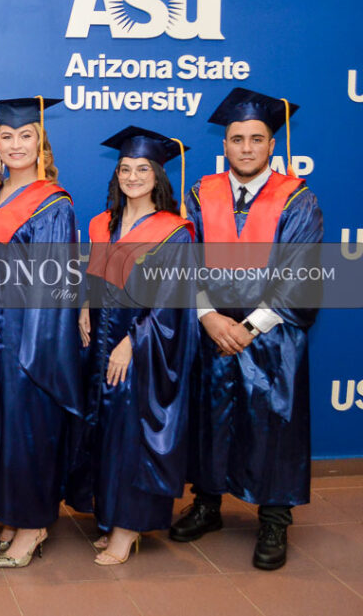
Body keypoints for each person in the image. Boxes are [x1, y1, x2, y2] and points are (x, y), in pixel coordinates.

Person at [170, 88, 323, 571]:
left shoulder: (297, 199)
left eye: (257, 139)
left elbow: (298, 273)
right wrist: (210, 317)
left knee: (272, 421)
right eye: (238, 139)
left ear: (272, 145)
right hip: (212, 329)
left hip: (272, 335)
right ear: (226, 144)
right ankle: (208, 505)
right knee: (210, 417)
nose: (247, 148)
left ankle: (274, 518)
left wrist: (249, 326)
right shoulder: (200, 193)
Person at [77, 126, 198, 565]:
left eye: (142, 169)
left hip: (142, 345)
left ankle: (127, 531)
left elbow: (171, 300)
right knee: (105, 432)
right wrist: (83, 310)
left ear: (158, 176)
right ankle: (110, 519)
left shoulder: (174, 232)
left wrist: (133, 342)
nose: (132, 176)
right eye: (125, 168)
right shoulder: (101, 223)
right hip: (98, 344)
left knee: (131, 435)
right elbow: (91, 277)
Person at [0, 97, 83, 568]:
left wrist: (34, 349)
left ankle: (34, 525)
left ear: (41, 143)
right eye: (7, 136)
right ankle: (13, 516)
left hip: (29, 336)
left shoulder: (53, 203)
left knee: (29, 428)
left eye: (26, 136)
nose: (15, 144)